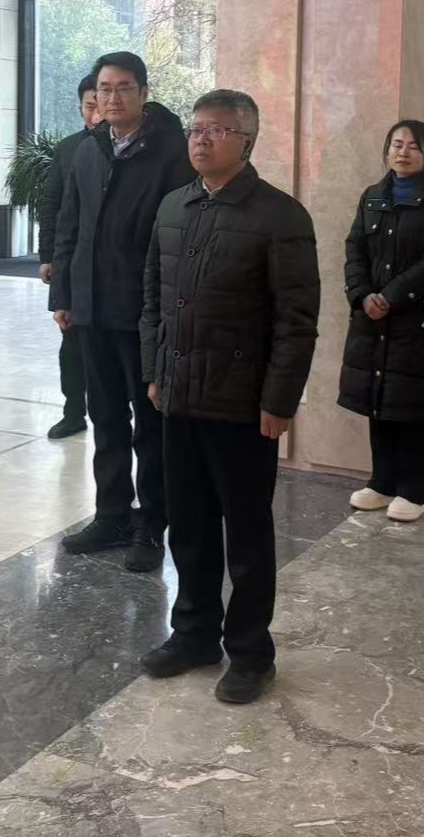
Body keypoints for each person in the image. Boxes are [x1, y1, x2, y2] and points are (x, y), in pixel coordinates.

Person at [139, 90, 319, 705]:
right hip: (178, 396)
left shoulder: (280, 216)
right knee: (188, 527)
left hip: (242, 404)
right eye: (195, 128)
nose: (200, 138)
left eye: (216, 130)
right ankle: (193, 634)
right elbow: (153, 299)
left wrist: (279, 401)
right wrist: (155, 371)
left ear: (247, 141)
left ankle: (250, 652)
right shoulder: (173, 206)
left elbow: (296, 320)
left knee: (245, 535)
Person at [52, 51, 197, 572]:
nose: (112, 98)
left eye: (124, 88)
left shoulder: (171, 151)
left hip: (142, 313)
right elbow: (69, 224)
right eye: (104, 89)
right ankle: (111, 515)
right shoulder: (89, 149)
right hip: (91, 309)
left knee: (150, 427)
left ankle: (151, 525)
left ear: (144, 92)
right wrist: (63, 295)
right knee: (105, 419)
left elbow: (178, 238)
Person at [337, 120, 424, 521]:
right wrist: (361, 295)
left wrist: (390, 297)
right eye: (396, 144)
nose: (403, 152)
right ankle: (382, 482)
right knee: (380, 400)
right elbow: (354, 249)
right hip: (372, 319)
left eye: (413, 146)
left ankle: (414, 490)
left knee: (414, 406)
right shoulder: (372, 196)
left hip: (414, 321)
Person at [38, 74, 100, 440]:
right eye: (90, 105)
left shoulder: (130, 150)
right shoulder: (68, 148)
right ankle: (73, 412)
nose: (97, 113)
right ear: (81, 108)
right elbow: (52, 206)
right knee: (70, 343)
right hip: (73, 261)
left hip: (109, 267)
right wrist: (48, 256)